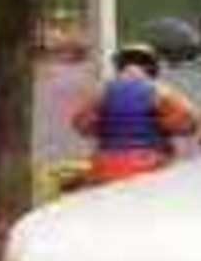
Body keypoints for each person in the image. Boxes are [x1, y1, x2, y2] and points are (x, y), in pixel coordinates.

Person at [72, 43, 199, 184]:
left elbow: (80, 125)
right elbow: (189, 123)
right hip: (150, 164)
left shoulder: (102, 91)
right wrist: (162, 123)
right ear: (152, 67)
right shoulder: (159, 91)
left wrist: (105, 126)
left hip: (106, 166)